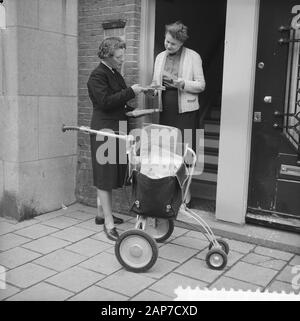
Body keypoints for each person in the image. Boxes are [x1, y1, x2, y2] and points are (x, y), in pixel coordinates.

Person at [87, 37, 144, 241]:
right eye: (119, 56)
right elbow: (104, 102)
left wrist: (132, 111)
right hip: (105, 129)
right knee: (105, 176)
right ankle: (109, 224)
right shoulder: (97, 76)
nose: (123, 59)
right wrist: (131, 91)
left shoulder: (114, 73)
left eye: (123, 55)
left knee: (110, 173)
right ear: (108, 56)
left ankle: (101, 214)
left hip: (117, 127)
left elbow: (118, 102)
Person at [150, 21, 206, 205]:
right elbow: (154, 82)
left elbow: (201, 85)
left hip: (186, 112)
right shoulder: (159, 57)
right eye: (166, 41)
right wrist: (152, 89)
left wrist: (184, 84)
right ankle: (168, 191)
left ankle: (185, 191)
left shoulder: (193, 56)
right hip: (165, 110)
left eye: (172, 44)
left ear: (181, 43)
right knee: (167, 152)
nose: (168, 46)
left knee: (186, 152)